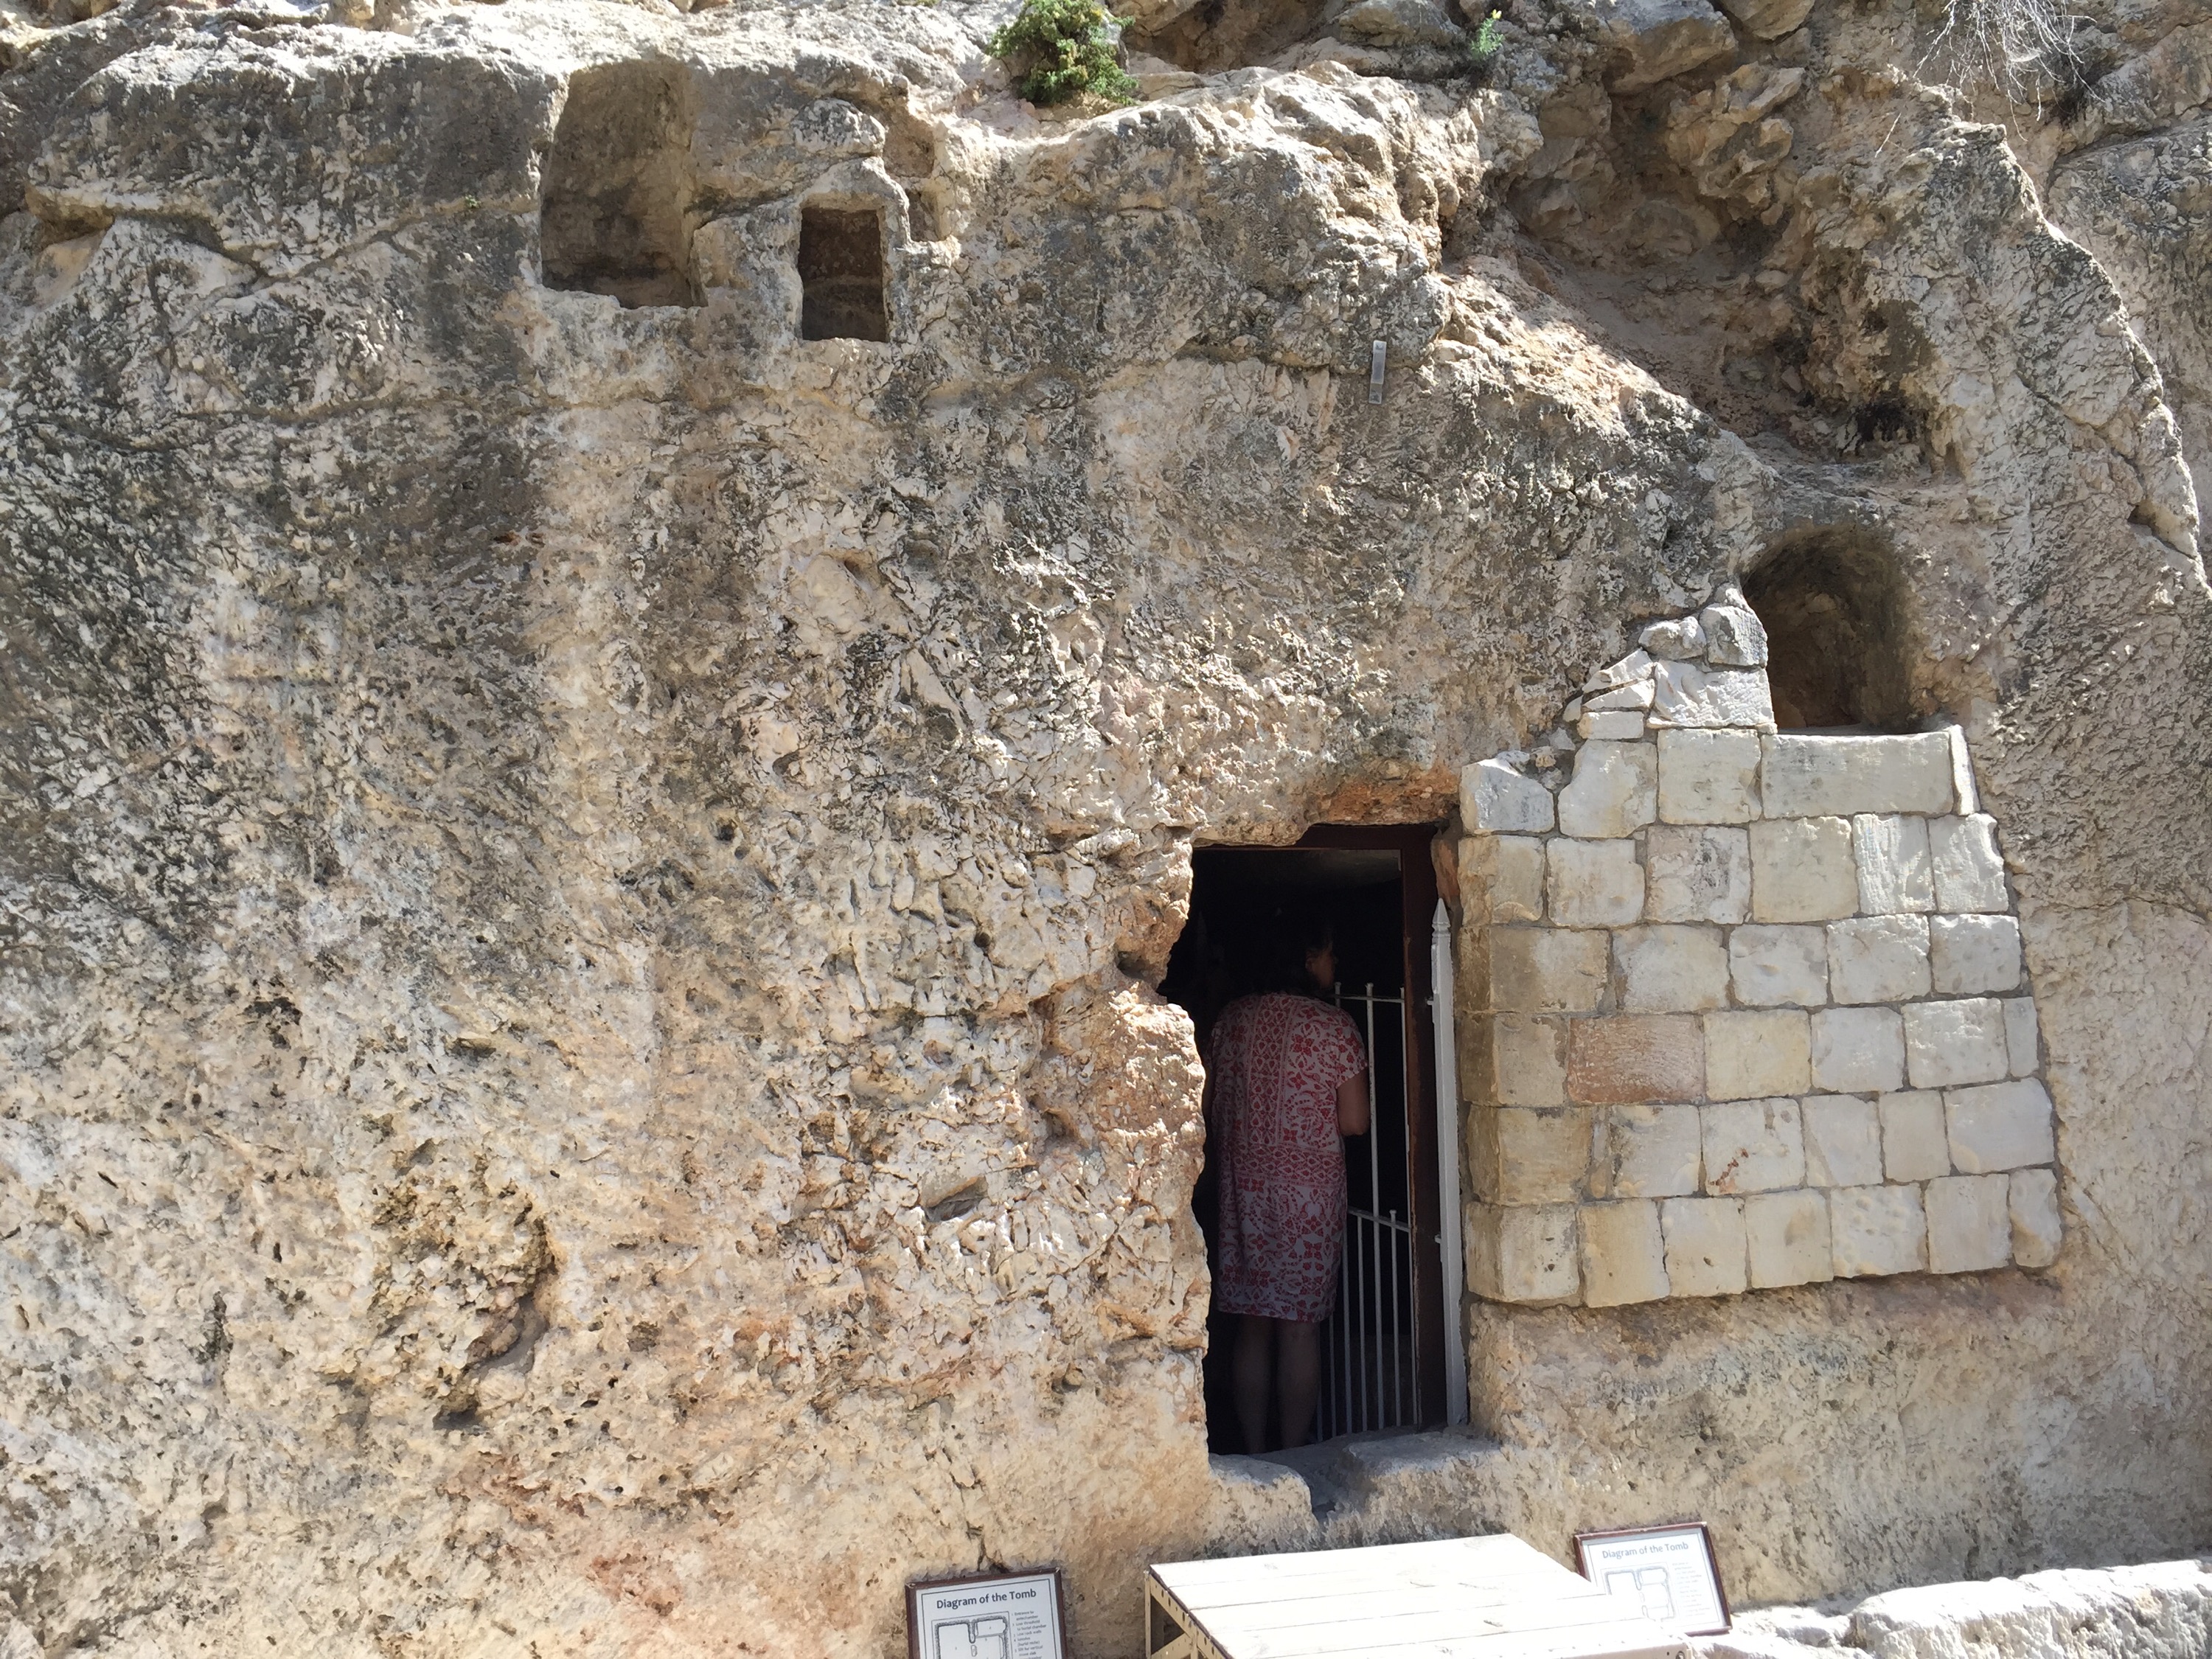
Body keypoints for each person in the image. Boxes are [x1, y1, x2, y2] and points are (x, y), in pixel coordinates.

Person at [1203, 908, 1370, 1455]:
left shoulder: (1231, 1021)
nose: (1334, 962)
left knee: (1252, 1323)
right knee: (1298, 1327)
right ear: (1308, 959)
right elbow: (1355, 1121)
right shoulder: (1334, 1028)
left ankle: (1254, 1453)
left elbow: (1205, 1108)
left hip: (1243, 1189)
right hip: (1307, 1197)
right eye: (1328, 952)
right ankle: (1296, 1456)